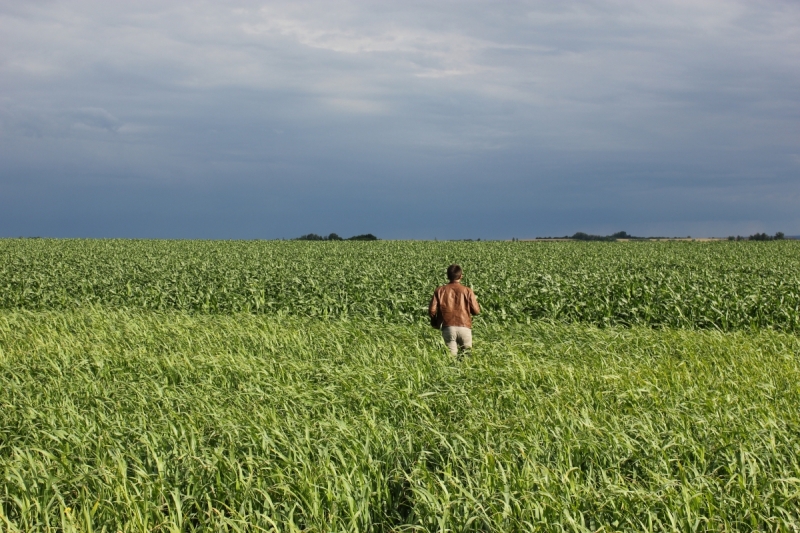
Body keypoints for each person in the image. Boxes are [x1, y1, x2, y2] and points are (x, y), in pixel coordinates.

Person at [429, 264, 480, 356]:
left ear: (447, 276)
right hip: (465, 327)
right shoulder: (467, 291)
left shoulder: (439, 290)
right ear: (461, 276)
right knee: (467, 357)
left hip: (447, 327)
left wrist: (435, 322)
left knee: (451, 358)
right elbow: (476, 311)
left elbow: (432, 310)